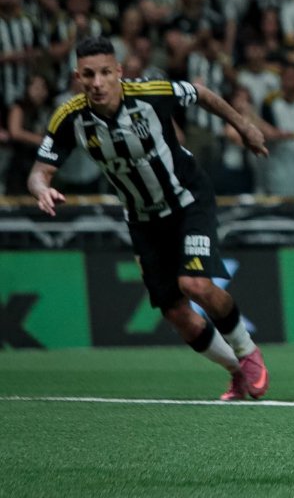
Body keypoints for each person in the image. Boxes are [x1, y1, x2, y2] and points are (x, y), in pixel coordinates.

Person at [28, 36, 271, 401]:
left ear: (119, 72)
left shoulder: (151, 93)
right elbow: (38, 172)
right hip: (143, 219)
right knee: (176, 314)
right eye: (88, 75)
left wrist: (244, 126)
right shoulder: (70, 117)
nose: (97, 83)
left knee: (195, 285)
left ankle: (248, 351)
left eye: (105, 73)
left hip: (188, 199)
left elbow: (201, 93)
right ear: (78, 76)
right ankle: (236, 372)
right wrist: (41, 189)